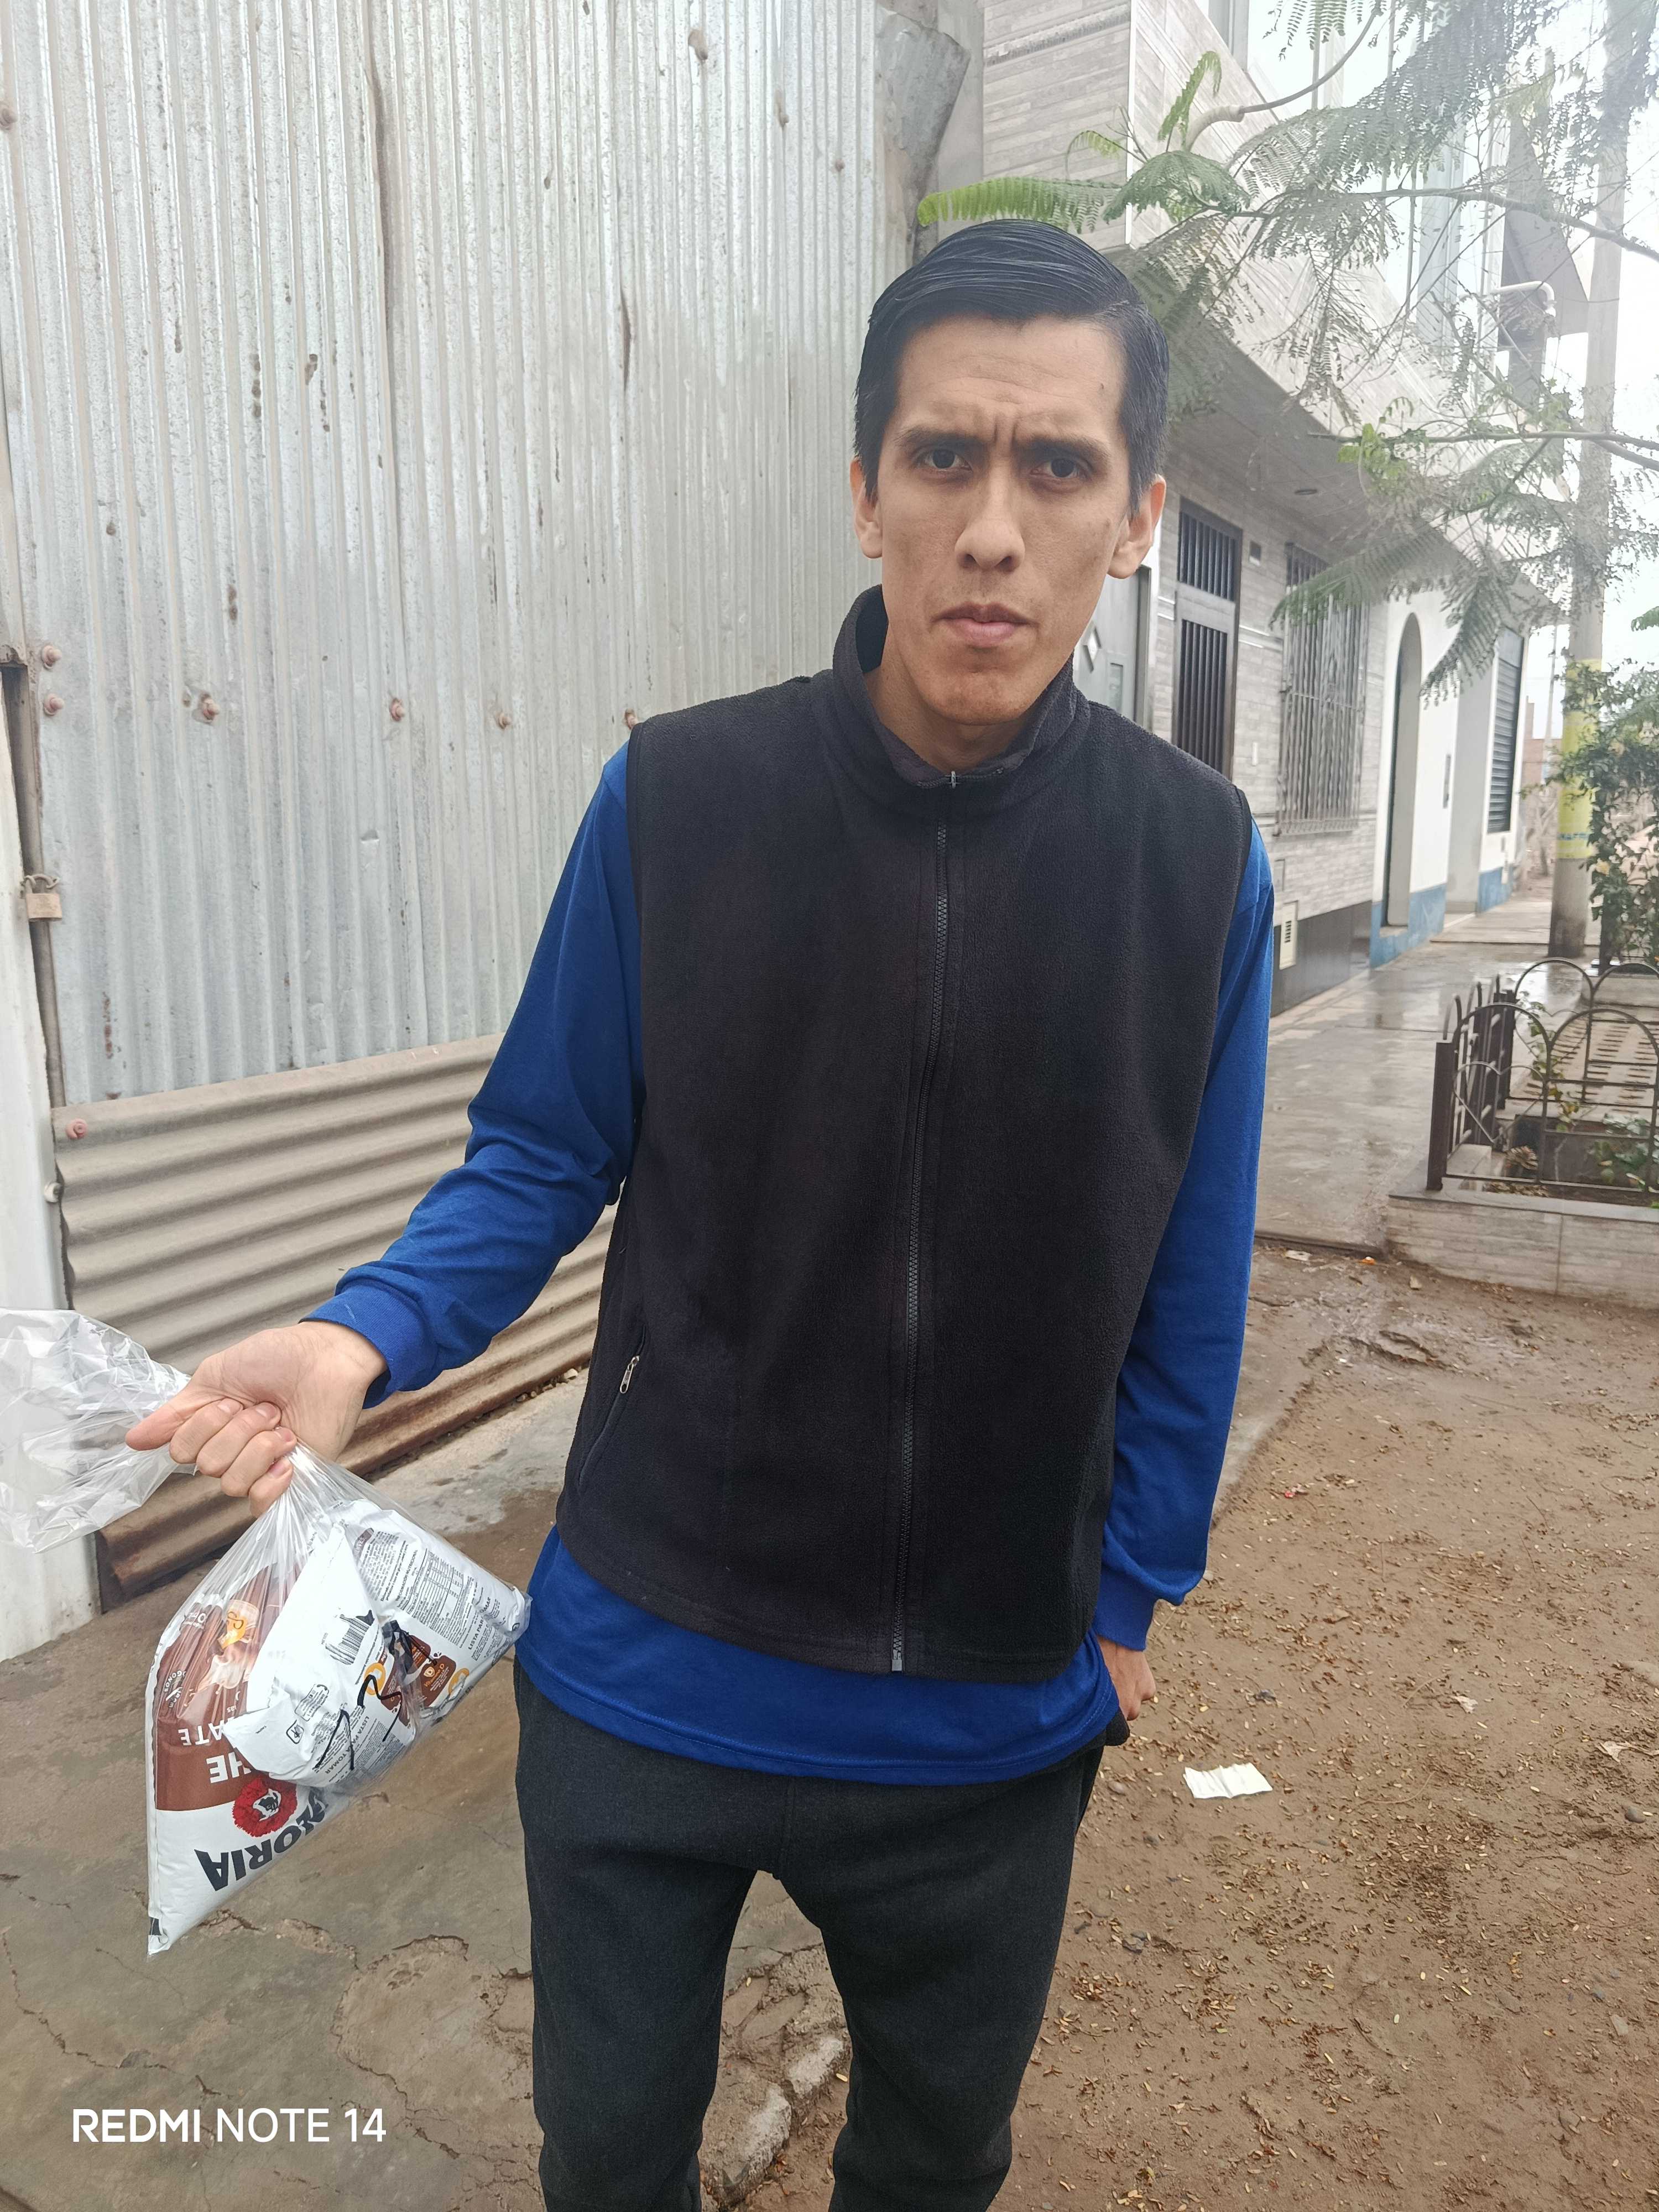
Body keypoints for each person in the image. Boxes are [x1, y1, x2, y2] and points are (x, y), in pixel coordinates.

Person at [128, 220, 1274, 2212]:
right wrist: (360, 1332)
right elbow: (537, 1151)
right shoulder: (678, 802)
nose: (993, 530)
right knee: (607, 2155)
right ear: (865, 491)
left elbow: (1191, 1253)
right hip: (650, 1680)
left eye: (1059, 467)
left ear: (1139, 517)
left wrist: (1126, 1597)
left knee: (935, 2163)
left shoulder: (1195, 864)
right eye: (943, 457)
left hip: (988, 1715)